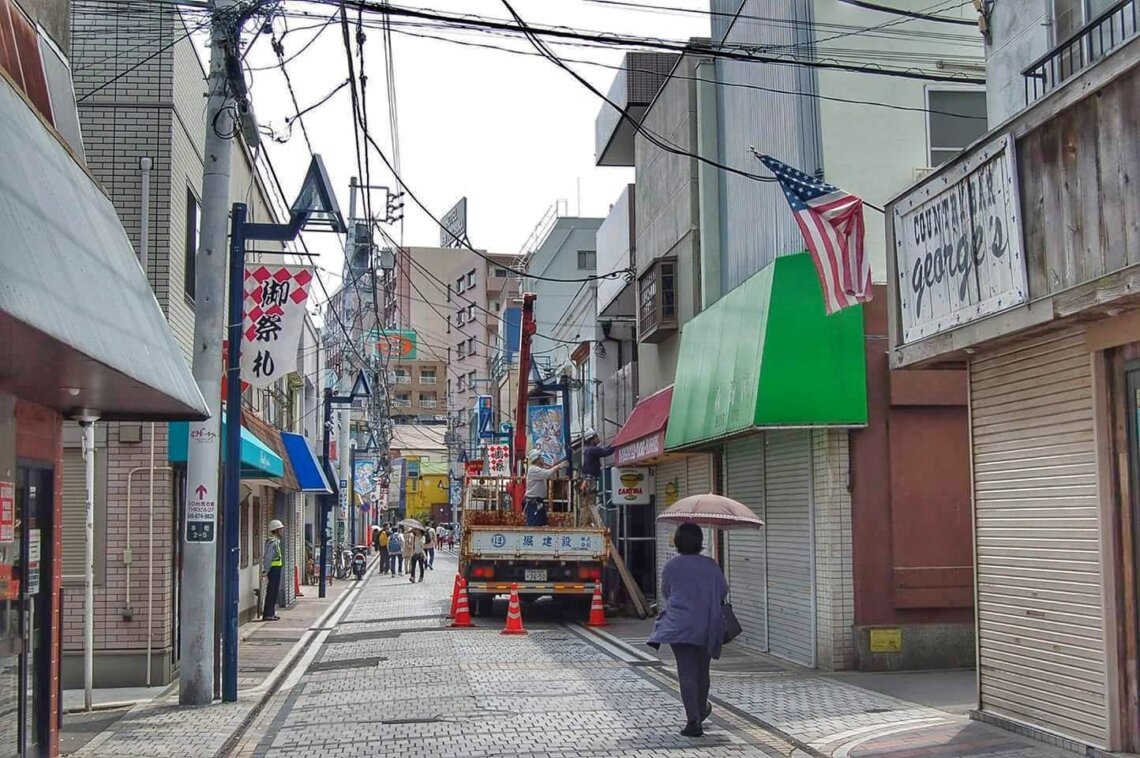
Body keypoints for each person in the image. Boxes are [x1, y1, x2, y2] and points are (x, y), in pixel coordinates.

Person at [647, 522, 728, 738]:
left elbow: (666, 592)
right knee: (703, 671)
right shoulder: (711, 565)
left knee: (686, 672)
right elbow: (723, 590)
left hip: (679, 625)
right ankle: (700, 711)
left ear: (677, 542)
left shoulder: (671, 566)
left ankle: (693, 720)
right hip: (707, 624)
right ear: (700, 542)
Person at [524, 450, 565, 526]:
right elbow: (547, 474)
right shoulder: (533, 469)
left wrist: (554, 467)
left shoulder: (538, 469)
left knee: (543, 523)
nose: (543, 459)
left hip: (538, 501)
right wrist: (558, 467)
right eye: (541, 458)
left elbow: (549, 473)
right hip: (534, 501)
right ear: (537, 460)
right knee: (534, 523)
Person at [260, 519, 286, 622]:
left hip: (276, 569)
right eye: (281, 529)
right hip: (273, 570)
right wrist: (266, 570)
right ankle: (268, 614)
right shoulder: (272, 543)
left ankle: (271, 613)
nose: (282, 531)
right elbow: (268, 558)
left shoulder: (275, 541)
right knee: (271, 591)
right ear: (276, 530)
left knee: (274, 591)